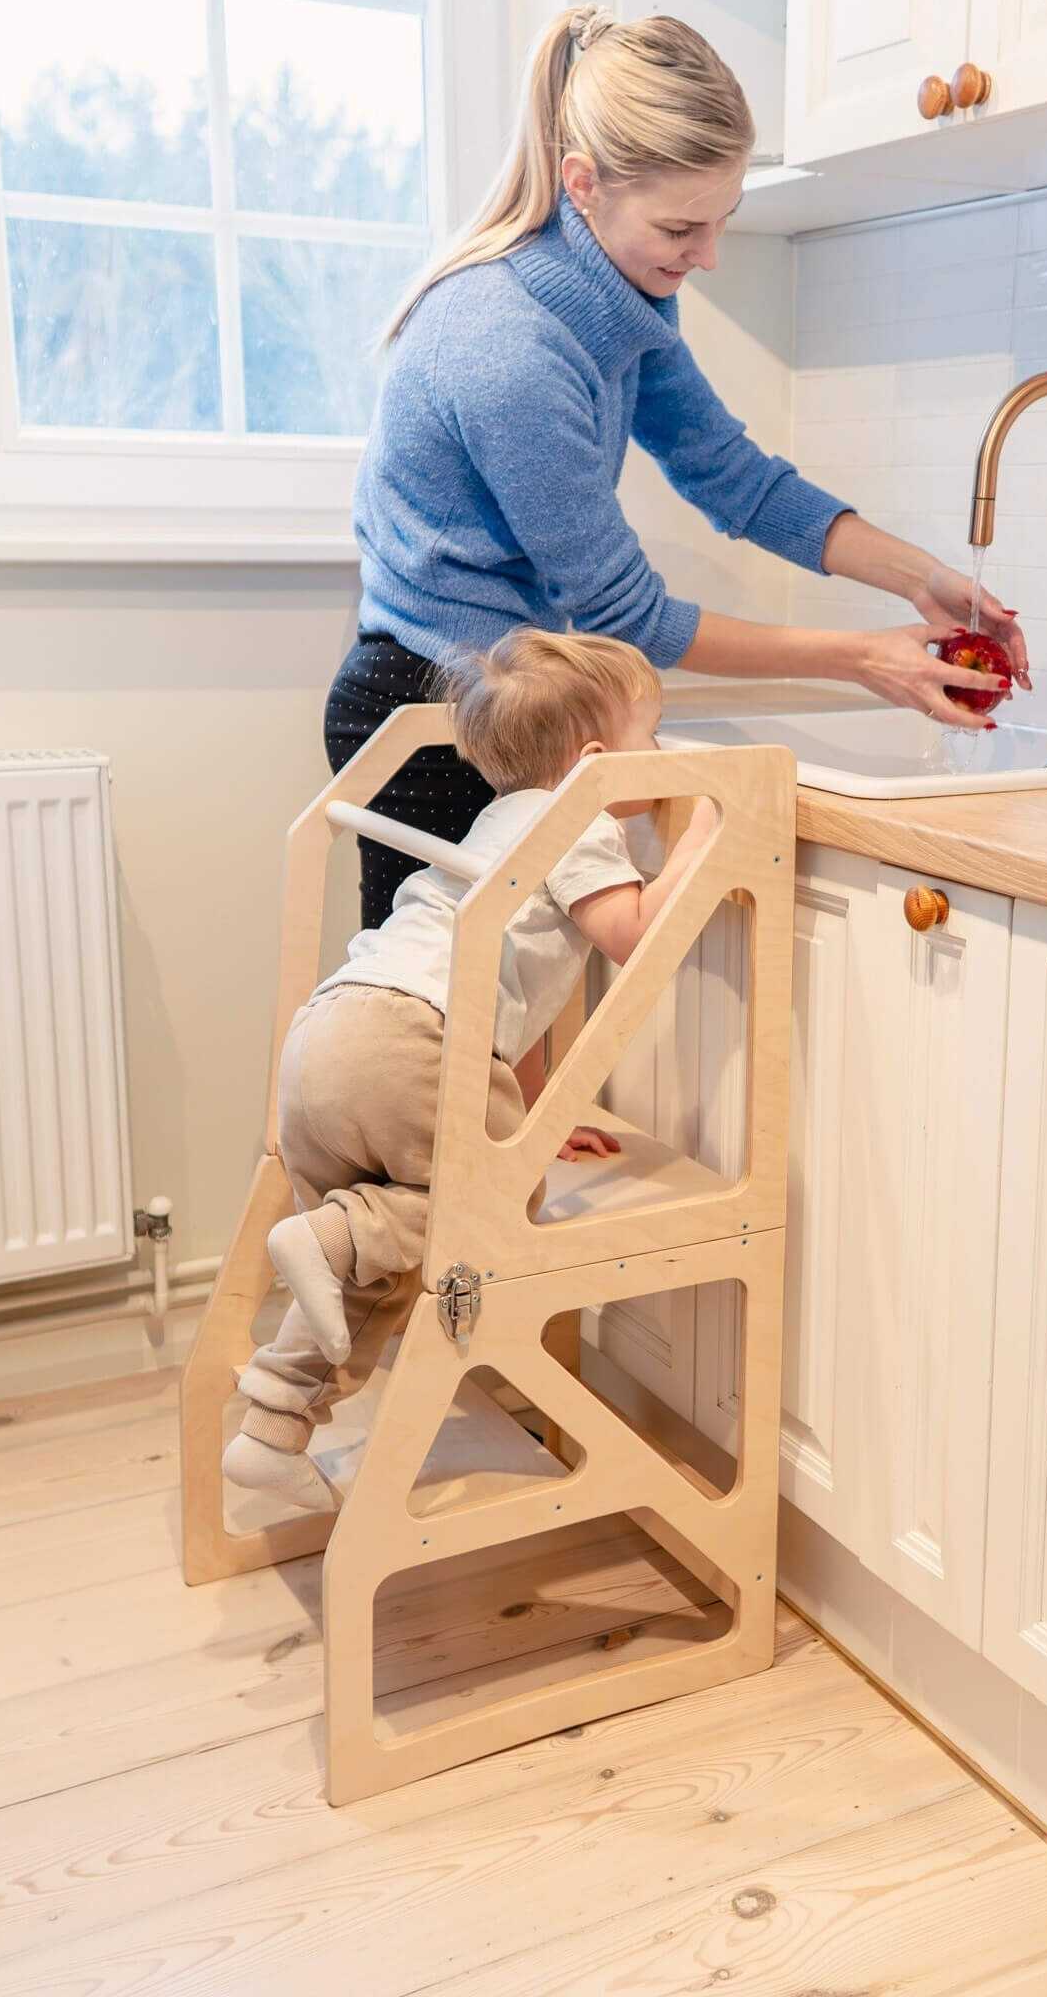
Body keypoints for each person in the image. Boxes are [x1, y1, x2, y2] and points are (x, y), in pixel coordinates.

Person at [329, 1, 1026, 929]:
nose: (708, 257)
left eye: (722, 220)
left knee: (507, 1036)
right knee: (432, 1028)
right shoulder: (508, 351)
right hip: (431, 711)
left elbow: (736, 477)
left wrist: (928, 582)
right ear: (582, 183)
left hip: (509, 699)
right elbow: (630, 617)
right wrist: (863, 659)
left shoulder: (622, 298)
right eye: (681, 230)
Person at [226, 630, 711, 1512]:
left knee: (388, 1251)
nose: (665, 758)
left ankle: (273, 1420)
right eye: (655, 739)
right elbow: (635, 936)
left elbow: (509, 1002)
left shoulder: (496, 820)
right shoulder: (578, 822)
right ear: (596, 765)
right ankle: (330, 1239)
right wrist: (706, 829)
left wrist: (536, 1113)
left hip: (334, 1032)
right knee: (478, 1214)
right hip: (416, 1041)